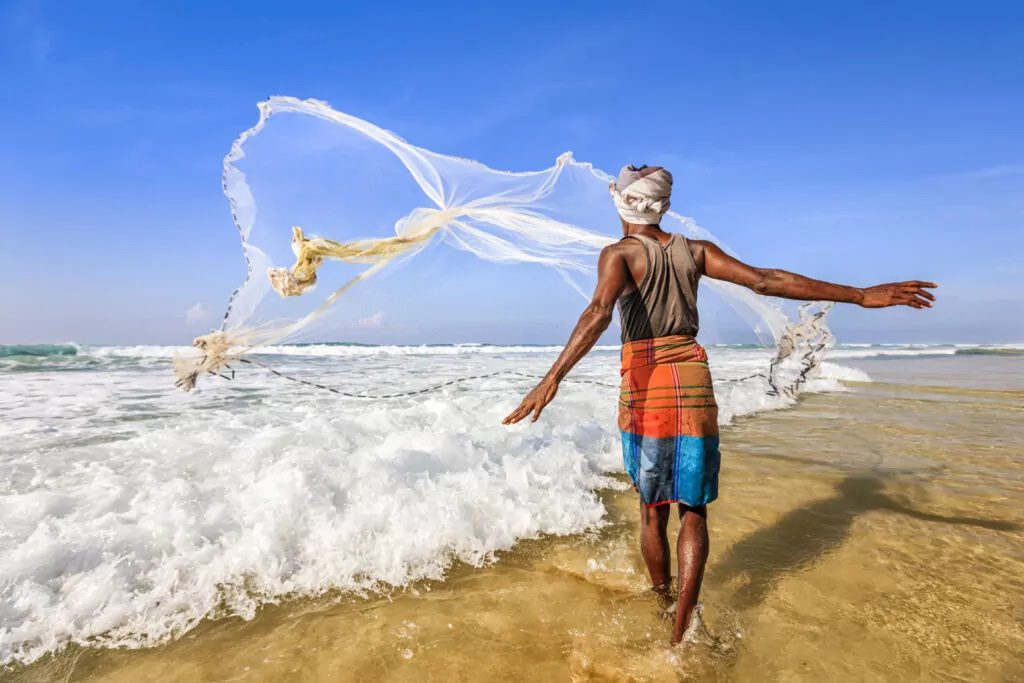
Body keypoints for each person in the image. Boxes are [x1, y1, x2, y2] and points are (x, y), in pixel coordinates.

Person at [502, 164, 936, 645]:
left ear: (621, 202)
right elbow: (766, 280)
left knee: (651, 509)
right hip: (692, 375)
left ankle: (663, 603)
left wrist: (551, 379)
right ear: (661, 204)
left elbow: (599, 312)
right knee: (694, 510)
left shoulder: (619, 254)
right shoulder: (696, 251)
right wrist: (858, 295)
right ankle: (683, 627)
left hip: (647, 383)